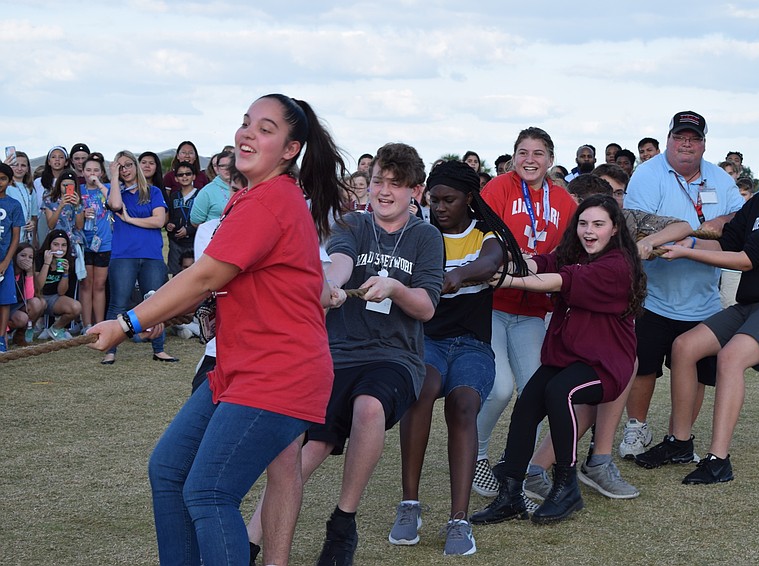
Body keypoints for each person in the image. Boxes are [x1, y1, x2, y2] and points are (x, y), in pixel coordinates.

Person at [88, 93, 348, 566]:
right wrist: (176, 308)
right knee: (169, 470)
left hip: (279, 375)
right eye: (246, 122)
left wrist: (128, 322)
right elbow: (219, 283)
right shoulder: (252, 198)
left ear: (290, 150)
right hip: (238, 365)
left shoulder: (269, 201)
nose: (247, 133)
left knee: (208, 490)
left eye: (265, 129)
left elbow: (204, 275)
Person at [281, 142, 442, 566]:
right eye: (377, 182)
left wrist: (394, 288)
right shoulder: (352, 223)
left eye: (396, 183)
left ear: (416, 192)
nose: (384, 191)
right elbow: (340, 263)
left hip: (396, 358)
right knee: (309, 450)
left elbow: (426, 306)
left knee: (369, 407)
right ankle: (252, 540)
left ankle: (343, 522)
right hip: (336, 355)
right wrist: (328, 286)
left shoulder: (426, 236)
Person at [636, 142, 759, 484]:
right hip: (753, 301)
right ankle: (679, 442)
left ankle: (718, 460)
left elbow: (747, 260)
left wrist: (686, 253)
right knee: (684, 347)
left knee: (731, 358)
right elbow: (728, 242)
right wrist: (680, 244)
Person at [470, 194, 646, 525]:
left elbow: (560, 280)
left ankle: (566, 488)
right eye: (583, 223)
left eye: (598, 224)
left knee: (559, 391)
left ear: (614, 229)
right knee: (529, 401)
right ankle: (510, 494)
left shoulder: (618, 265)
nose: (589, 231)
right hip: (568, 356)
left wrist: (506, 280)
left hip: (605, 365)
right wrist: (496, 266)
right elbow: (543, 264)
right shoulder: (574, 252)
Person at [388, 160, 526, 556]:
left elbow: (490, 262)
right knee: (422, 390)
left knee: (464, 406)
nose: (440, 207)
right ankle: (409, 505)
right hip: (426, 341)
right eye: (434, 200)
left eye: (449, 200)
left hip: (471, 344)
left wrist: (457, 276)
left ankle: (459, 519)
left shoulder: (486, 233)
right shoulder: (419, 234)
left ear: (469, 198)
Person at [619, 111, 744, 460]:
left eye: (694, 138)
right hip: (653, 295)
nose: (686, 144)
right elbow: (638, 229)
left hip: (703, 298)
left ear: (704, 143)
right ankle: (636, 427)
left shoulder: (720, 178)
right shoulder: (647, 174)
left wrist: (719, 221)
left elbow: (739, 220)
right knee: (644, 368)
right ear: (669, 138)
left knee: (699, 371)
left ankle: (680, 434)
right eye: (679, 137)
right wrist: (695, 238)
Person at [472, 127, 578, 500]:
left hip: (534, 310)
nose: (529, 159)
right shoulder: (499, 187)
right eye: (522, 152)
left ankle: (514, 462)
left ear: (550, 159)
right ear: (514, 156)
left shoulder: (565, 201)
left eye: (538, 153)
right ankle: (476, 455)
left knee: (537, 390)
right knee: (500, 387)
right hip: (493, 304)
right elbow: (484, 235)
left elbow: (571, 252)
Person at [100, 151, 176, 365]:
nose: (125, 170)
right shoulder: (117, 193)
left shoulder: (153, 191)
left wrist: (130, 220)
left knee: (154, 303)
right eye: (120, 167)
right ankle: (110, 350)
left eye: (128, 165)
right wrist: (113, 177)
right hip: (123, 255)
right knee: (118, 303)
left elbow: (159, 220)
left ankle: (159, 349)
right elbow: (115, 206)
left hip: (151, 255)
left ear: (136, 166)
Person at [79, 157, 112, 332]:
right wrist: (82, 213)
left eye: (96, 170)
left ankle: (100, 324)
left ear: (102, 172)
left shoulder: (107, 188)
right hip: (84, 243)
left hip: (104, 243)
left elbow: (114, 203)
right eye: (89, 170)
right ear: (82, 172)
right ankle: (87, 325)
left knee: (99, 285)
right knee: (86, 284)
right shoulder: (78, 190)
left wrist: (100, 185)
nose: (92, 174)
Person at [34, 229, 82, 341]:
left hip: (53, 299)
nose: (60, 249)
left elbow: (61, 292)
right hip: (37, 298)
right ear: (49, 245)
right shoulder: (39, 258)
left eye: (63, 245)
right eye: (56, 245)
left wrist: (65, 273)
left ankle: (55, 329)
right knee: (39, 303)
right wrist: (47, 263)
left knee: (76, 307)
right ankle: (27, 330)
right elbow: (38, 287)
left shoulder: (67, 260)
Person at [0, 163, 24, 352]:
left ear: (9, 181)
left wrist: (7, 261)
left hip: (4, 260)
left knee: (4, 300)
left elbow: (16, 237)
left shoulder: (13, 205)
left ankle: (2, 338)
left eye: (3, 179)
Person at [8, 242, 47, 346]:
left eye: (30, 257)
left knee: (39, 302)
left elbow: (29, 297)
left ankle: (20, 334)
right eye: (23, 255)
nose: (26, 259)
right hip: (6, 306)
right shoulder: (8, 270)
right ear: (15, 255)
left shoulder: (26, 272)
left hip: (18, 305)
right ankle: (6, 331)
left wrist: (29, 273)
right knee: (22, 319)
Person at [165, 161, 199, 275]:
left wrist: (189, 229)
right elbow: (172, 216)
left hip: (193, 240)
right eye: (180, 174)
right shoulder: (174, 196)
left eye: (188, 174)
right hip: (176, 241)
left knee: (195, 273)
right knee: (176, 274)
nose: (184, 176)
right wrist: (170, 224)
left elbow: (203, 219)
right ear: (176, 178)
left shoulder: (200, 195)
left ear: (194, 176)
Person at [190, 150, 234, 226]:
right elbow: (195, 221)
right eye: (223, 166)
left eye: (230, 165)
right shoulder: (207, 191)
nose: (227, 169)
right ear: (217, 168)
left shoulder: (247, 187)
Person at [4, 151, 38, 243]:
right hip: (7, 236)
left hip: (25, 239)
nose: (19, 168)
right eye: (15, 165)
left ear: (27, 168)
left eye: (23, 165)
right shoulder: (5, 186)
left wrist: (32, 223)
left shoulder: (30, 189)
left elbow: (34, 215)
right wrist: (3, 168)